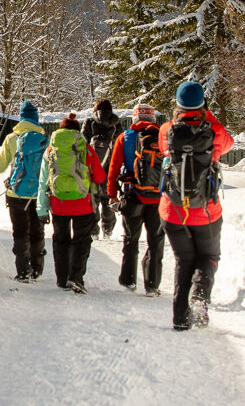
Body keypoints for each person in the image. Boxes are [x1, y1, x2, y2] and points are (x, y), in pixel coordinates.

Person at [158, 81, 234, 331]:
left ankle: (180, 319)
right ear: (202, 103)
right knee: (209, 256)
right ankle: (199, 298)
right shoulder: (213, 130)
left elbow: (163, 150)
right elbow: (229, 143)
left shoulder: (168, 129)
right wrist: (206, 115)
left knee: (183, 260)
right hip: (206, 212)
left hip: (173, 210)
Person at [37, 112, 106, 293]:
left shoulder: (51, 149)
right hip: (82, 202)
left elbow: (44, 178)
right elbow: (100, 176)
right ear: (78, 131)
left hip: (58, 202)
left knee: (60, 239)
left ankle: (61, 278)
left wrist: (42, 207)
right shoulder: (85, 148)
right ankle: (76, 277)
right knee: (82, 240)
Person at [0, 100, 48, 283]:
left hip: (16, 193)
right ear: (36, 119)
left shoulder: (12, 139)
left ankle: (23, 271)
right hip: (38, 194)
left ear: (21, 119)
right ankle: (37, 269)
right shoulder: (45, 140)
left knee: (20, 232)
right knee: (37, 231)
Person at [107, 104, 165, 296]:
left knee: (131, 239)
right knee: (155, 241)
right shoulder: (163, 138)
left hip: (132, 196)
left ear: (134, 119)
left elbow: (113, 168)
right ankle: (152, 285)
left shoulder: (125, 137)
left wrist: (112, 195)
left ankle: (129, 280)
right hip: (157, 198)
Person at [81, 99, 122, 238]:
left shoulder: (89, 122)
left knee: (93, 199)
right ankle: (108, 230)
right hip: (110, 167)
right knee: (107, 198)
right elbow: (119, 145)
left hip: (92, 168)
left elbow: (82, 142)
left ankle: (93, 231)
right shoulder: (116, 124)